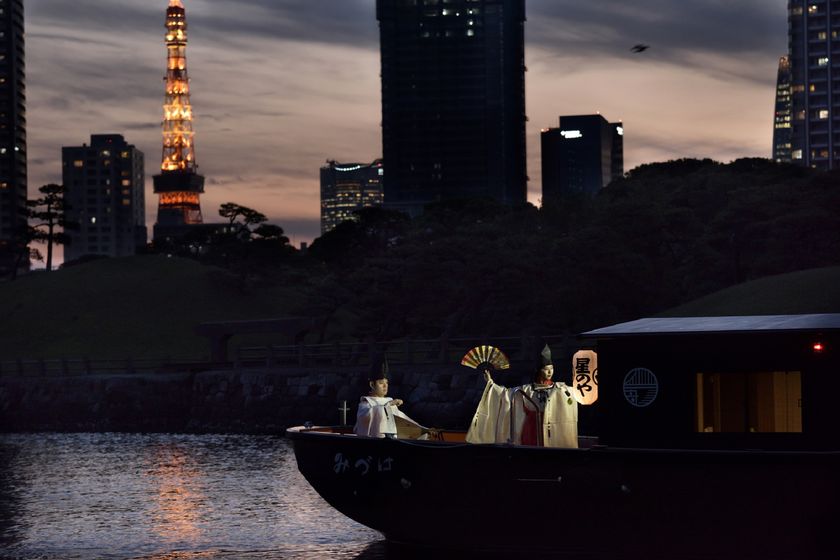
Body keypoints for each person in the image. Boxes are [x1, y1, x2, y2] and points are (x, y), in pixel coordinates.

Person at [466, 344, 578, 448]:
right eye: (546, 369)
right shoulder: (527, 390)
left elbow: (577, 392)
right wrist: (490, 383)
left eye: (551, 369)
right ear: (539, 370)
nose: (550, 372)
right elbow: (505, 395)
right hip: (530, 429)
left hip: (553, 430)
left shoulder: (561, 389)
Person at [354, 355, 428, 439]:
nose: (385, 386)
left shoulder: (388, 401)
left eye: (387, 383)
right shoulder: (365, 403)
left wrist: (422, 430)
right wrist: (387, 406)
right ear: (372, 384)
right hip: (375, 441)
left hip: (393, 440)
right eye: (381, 383)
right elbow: (365, 419)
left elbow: (402, 419)